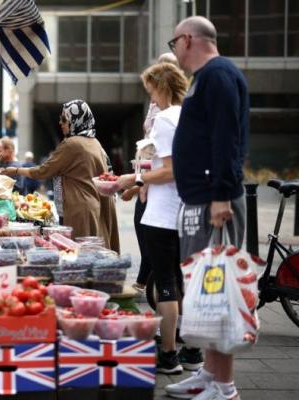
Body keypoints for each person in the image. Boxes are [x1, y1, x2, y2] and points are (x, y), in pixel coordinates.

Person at [164, 16, 249, 400]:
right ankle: (210, 375)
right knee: (203, 290)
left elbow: (227, 137)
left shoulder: (217, 75)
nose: (173, 52)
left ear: (186, 40)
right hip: (201, 198)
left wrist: (219, 195)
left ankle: (224, 385)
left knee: (217, 292)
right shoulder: (210, 76)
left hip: (213, 199)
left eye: (173, 43)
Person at [117, 62, 188, 375]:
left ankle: (169, 354)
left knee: (166, 285)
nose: (151, 98)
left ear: (160, 86)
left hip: (162, 213)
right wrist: (136, 181)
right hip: (184, 211)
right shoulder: (188, 115)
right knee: (179, 280)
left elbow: (171, 170)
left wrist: (131, 181)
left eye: (151, 90)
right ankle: (190, 349)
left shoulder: (163, 119)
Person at [0, 100, 120, 251]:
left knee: (76, 256)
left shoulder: (72, 144)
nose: (60, 123)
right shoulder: (94, 142)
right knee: (89, 255)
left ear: (75, 121)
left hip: (78, 209)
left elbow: (43, 171)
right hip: (92, 206)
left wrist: (15, 170)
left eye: (64, 119)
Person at [122, 52, 180, 295]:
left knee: (163, 260)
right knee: (169, 266)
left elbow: (167, 167)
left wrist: (135, 181)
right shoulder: (162, 110)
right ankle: (152, 283)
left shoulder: (166, 117)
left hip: (163, 197)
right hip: (161, 192)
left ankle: (151, 283)